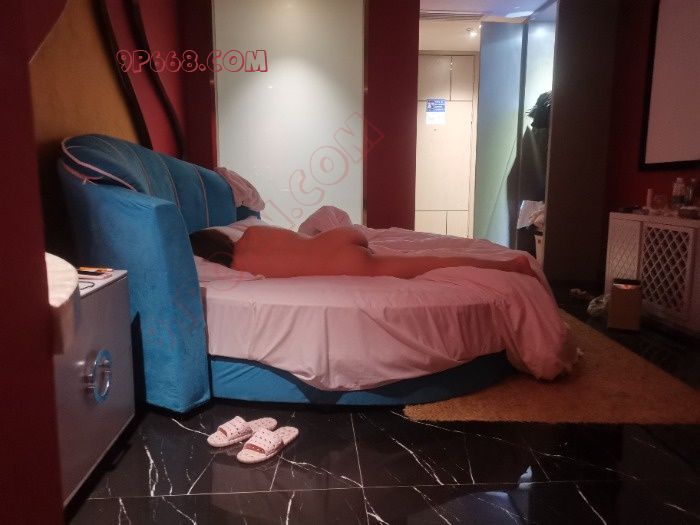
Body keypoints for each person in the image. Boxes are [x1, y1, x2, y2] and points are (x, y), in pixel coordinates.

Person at [190, 226, 537, 280]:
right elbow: (295, 237)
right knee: (426, 257)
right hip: (337, 239)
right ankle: (508, 261)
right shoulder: (252, 232)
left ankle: (511, 266)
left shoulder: (238, 268)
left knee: (429, 264)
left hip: (342, 261)